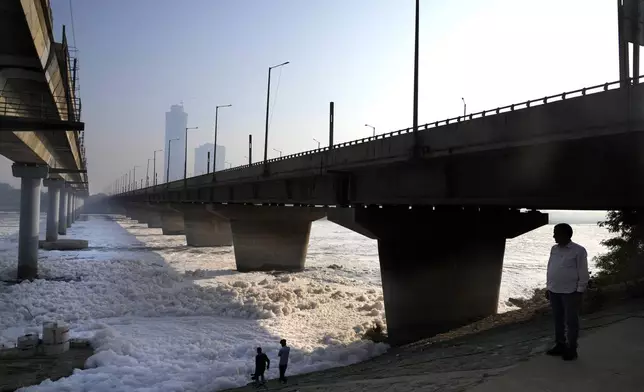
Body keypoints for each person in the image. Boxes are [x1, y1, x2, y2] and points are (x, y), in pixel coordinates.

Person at [545, 223, 589, 361]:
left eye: (556, 233)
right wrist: (548, 286)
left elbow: (583, 272)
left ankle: (572, 348)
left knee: (571, 321)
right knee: (558, 319)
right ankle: (560, 344)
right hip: (554, 290)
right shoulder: (554, 249)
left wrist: (580, 290)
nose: (554, 236)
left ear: (566, 235)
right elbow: (550, 267)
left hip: (571, 292)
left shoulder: (579, 250)